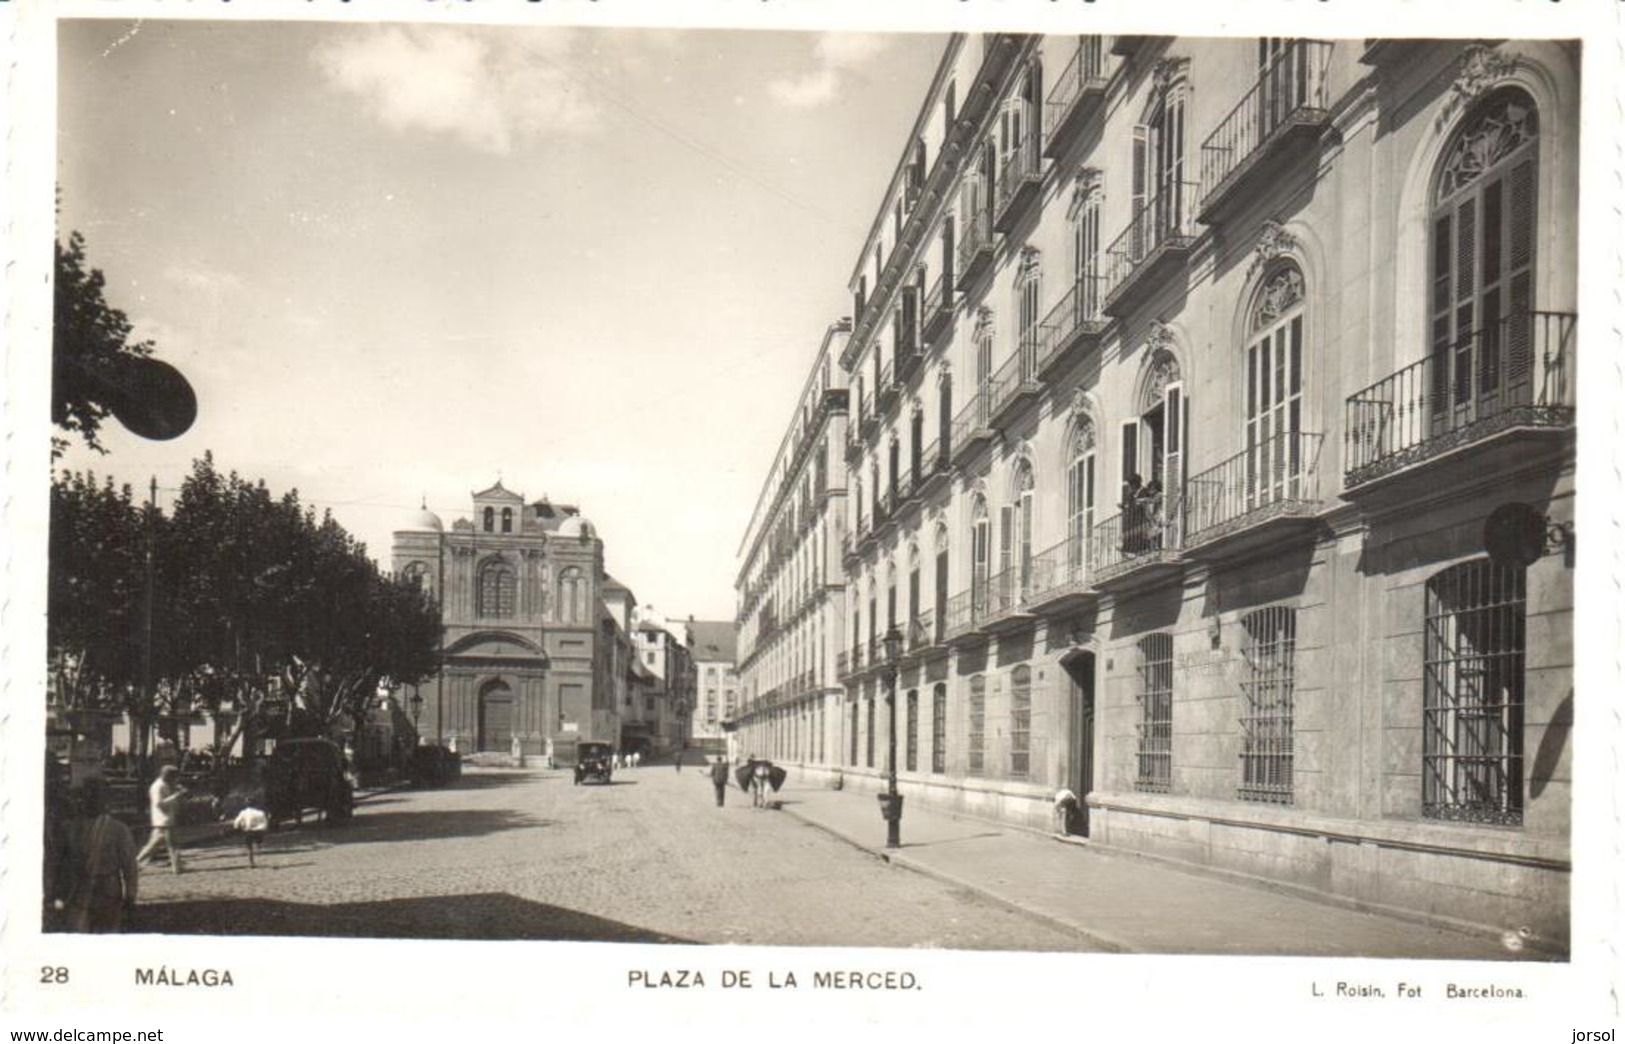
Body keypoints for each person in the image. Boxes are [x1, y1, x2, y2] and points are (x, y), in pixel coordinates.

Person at [63, 782, 139, 933]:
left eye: (95, 798)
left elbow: (129, 865)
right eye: (87, 798)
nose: (90, 802)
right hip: (80, 890)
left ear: (104, 802)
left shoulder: (118, 829)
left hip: (108, 889)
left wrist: (130, 895)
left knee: (107, 933)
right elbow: (63, 863)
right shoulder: (70, 829)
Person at [136, 765, 186, 874]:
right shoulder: (157, 787)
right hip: (163, 820)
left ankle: (136, 863)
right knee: (172, 845)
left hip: (166, 819)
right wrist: (176, 796)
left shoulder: (164, 785)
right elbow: (159, 803)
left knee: (154, 846)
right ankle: (177, 867)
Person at [233, 803, 270, 868]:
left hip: (248, 830)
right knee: (258, 841)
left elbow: (236, 822)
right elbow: (265, 824)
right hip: (258, 830)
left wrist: (237, 827)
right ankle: (258, 847)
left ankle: (251, 862)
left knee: (249, 847)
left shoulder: (243, 812)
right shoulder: (260, 812)